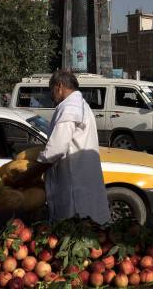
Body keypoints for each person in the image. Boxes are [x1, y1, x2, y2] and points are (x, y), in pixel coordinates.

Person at [37, 70, 110, 224]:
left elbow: (56, 149)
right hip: (81, 181)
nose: (51, 96)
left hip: (74, 188)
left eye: (52, 91)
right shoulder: (81, 105)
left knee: (73, 234)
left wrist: (31, 171)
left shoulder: (69, 107)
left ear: (59, 87)